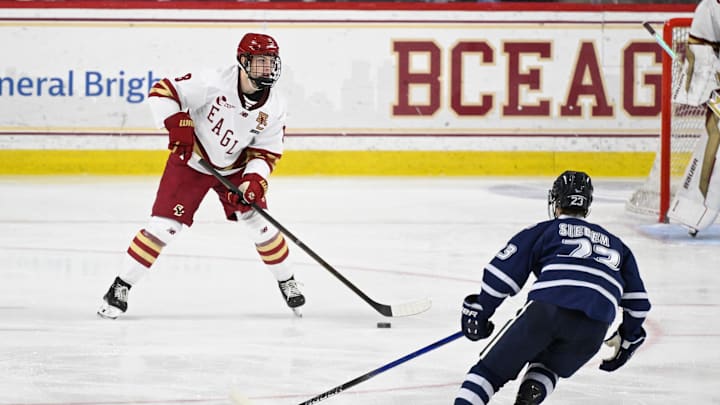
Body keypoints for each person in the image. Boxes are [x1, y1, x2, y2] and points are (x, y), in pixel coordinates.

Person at [97, 32, 306, 319]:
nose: (266, 69)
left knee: (262, 228)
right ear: (243, 62)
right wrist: (176, 122)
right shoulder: (213, 82)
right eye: (259, 62)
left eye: (270, 62)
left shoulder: (275, 106)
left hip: (235, 170)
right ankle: (120, 287)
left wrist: (254, 180)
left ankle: (287, 280)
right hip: (191, 162)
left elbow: (266, 153)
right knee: (163, 228)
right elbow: (163, 91)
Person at [455, 170, 651, 405]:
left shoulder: (545, 230)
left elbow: (502, 275)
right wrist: (628, 338)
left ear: (556, 201)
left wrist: (482, 311)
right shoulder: (618, 245)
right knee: (548, 366)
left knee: (488, 372)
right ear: (587, 206)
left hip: (548, 311)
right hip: (595, 327)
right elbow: (638, 305)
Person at [667, 0, 720, 236]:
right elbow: (697, 50)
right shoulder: (708, 9)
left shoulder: (708, 8)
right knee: (714, 130)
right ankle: (697, 202)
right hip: (712, 70)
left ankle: (698, 203)